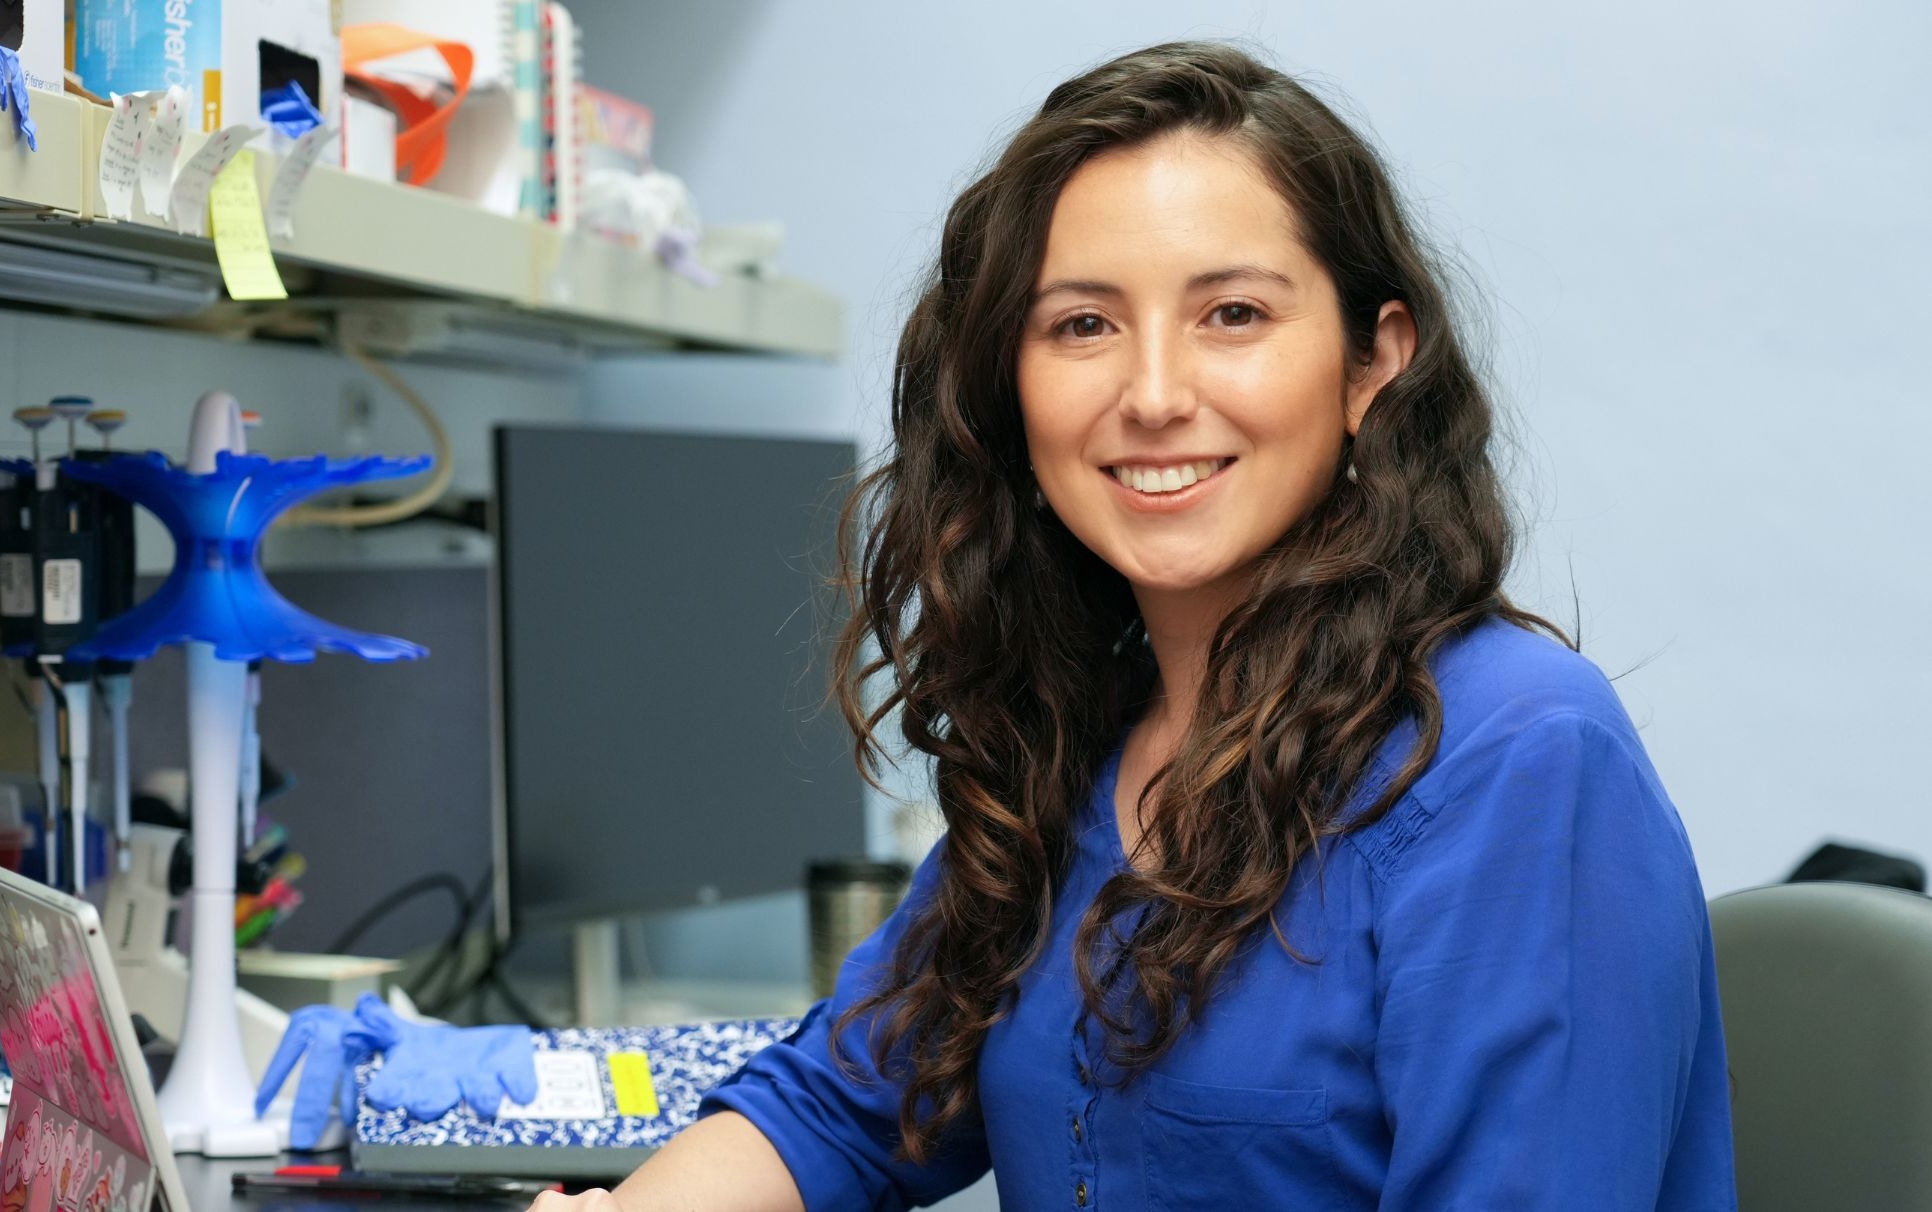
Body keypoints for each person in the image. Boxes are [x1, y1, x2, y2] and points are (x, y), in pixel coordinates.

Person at [531, 40, 1733, 1210]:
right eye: (1083, 326)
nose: (1154, 396)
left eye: (1234, 315)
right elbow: (844, 1105)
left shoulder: (1517, 758)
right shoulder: (1083, 740)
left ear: (1374, 362)